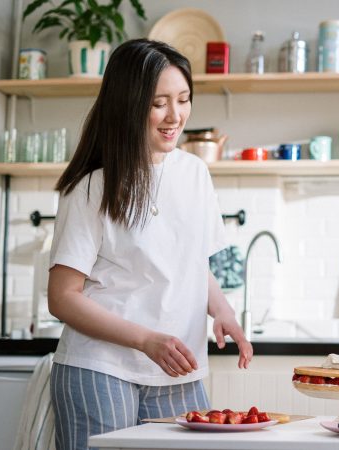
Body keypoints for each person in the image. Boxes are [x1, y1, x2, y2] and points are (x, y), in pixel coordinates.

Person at [47, 39, 252, 450]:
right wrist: (145, 339)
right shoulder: (92, 186)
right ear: (128, 104)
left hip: (178, 370)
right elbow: (62, 298)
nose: (174, 116)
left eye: (183, 99)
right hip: (100, 369)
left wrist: (223, 310)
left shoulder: (194, 173)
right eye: (159, 103)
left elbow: (192, 263)